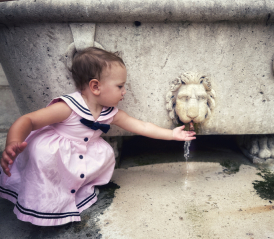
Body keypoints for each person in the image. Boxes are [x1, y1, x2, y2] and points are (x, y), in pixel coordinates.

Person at [0, 47, 196, 226]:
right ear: (95, 87)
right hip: (55, 154)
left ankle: (71, 195)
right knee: (45, 164)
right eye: (120, 86)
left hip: (80, 154)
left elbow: (140, 125)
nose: (124, 91)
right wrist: (13, 141)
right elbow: (28, 120)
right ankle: (45, 206)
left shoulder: (110, 112)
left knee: (98, 157)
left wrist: (171, 134)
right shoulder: (67, 107)